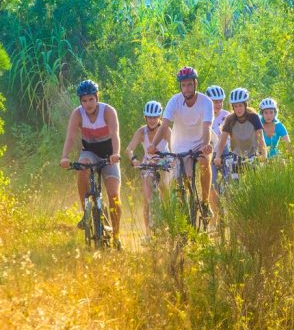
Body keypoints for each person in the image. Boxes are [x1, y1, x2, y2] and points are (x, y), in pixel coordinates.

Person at [59, 80, 122, 248]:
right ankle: (85, 213)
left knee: (114, 195)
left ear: (97, 98)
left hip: (109, 156)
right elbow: (71, 137)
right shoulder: (77, 114)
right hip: (90, 152)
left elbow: (115, 134)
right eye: (84, 100)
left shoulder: (108, 111)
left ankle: (116, 236)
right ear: (80, 101)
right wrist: (64, 157)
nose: (88, 104)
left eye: (91, 99)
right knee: (82, 165)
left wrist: (116, 154)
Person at [148, 67, 214, 219]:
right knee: (181, 180)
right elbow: (164, 125)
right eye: (183, 85)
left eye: (189, 84)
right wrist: (153, 145)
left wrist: (206, 145)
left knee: (205, 161)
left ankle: (204, 203)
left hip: (200, 142)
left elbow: (207, 126)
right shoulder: (174, 101)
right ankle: (183, 211)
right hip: (180, 144)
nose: (187, 88)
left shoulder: (206, 102)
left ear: (195, 83)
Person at [125, 100, 172, 233]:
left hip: (164, 163)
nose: (152, 120)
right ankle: (147, 233)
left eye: (155, 117)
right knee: (147, 199)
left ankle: (169, 223)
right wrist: (134, 160)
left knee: (165, 190)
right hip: (148, 164)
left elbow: (173, 147)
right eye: (149, 117)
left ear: (160, 117)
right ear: (145, 117)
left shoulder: (166, 130)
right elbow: (129, 149)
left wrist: (172, 159)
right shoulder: (141, 132)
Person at [214, 88, 266, 169]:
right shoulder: (229, 119)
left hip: (252, 155)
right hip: (236, 156)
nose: (238, 109)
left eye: (240, 105)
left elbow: (261, 139)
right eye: (236, 106)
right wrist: (217, 157)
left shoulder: (254, 117)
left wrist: (264, 155)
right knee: (234, 179)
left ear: (245, 105)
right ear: (233, 107)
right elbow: (222, 141)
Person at [205, 85, 228, 220]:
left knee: (231, 181)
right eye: (215, 101)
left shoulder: (228, 116)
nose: (218, 104)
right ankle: (214, 219)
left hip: (226, 152)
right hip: (211, 155)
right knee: (212, 185)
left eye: (220, 101)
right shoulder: (204, 116)